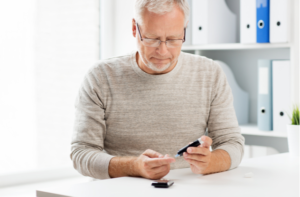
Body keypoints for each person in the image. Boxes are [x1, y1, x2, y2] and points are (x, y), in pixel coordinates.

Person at [70, 0, 245, 180]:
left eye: (173, 39)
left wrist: (211, 162)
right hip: (122, 190)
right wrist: (133, 166)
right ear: (134, 28)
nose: (162, 51)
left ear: (185, 29)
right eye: (152, 38)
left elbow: (232, 143)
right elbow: (82, 153)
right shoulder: (100, 77)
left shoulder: (210, 73)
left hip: (188, 189)